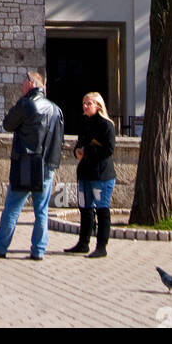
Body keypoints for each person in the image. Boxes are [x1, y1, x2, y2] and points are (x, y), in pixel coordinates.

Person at [0, 70, 64, 261]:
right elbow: (58, 141)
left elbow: (8, 124)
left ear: (30, 83)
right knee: (41, 211)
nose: (20, 85)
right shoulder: (55, 109)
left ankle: (0, 247)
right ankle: (38, 250)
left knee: (12, 207)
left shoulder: (27, 104)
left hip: (26, 163)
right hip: (47, 165)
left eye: (22, 82)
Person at [64, 90, 116, 258]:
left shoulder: (106, 125)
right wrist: (77, 151)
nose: (85, 107)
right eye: (84, 104)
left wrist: (87, 151)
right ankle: (83, 243)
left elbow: (108, 149)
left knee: (102, 210)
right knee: (85, 209)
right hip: (85, 173)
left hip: (100, 176)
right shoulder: (85, 122)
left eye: (88, 103)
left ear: (98, 105)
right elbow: (80, 143)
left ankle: (101, 246)